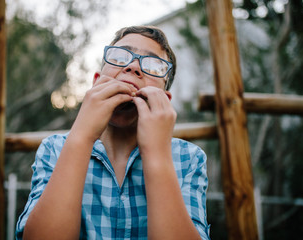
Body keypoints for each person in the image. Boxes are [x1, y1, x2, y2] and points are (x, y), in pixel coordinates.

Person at [16, 25, 210, 240]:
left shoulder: (189, 159)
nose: (134, 67)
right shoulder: (55, 149)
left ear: (165, 100)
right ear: (96, 82)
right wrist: (81, 136)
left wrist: (156, 153)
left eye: (154, 66)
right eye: (119, 57)